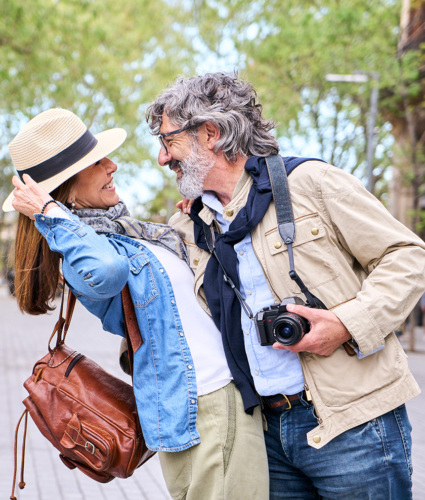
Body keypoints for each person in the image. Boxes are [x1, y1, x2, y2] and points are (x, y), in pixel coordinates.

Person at [146, 72, 425, 499]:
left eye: (169, 142)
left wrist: (347, 323)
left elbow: (407, 255)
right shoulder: (189, 225)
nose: (162, 159)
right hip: (265, 433)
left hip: (356, 426)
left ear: (211, 133)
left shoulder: (310, 184)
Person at [3, 108, 269, 500]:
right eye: (95, 162)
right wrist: (49, 213)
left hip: (217, 399)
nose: (112, 165)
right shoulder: (83, 258)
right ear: (65, 190)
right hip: (206, 404)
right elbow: (109, 270)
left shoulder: (126, 234)